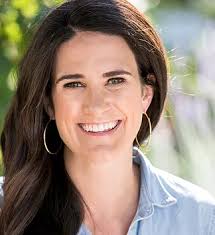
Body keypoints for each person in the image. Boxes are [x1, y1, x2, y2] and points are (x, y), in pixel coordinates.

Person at [0, 0, 214, 234]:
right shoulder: (6, 210)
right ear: (49, 103)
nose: (96, 105)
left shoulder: (202, 219)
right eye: (74, 84)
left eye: (115, 80)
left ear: (146, 93)